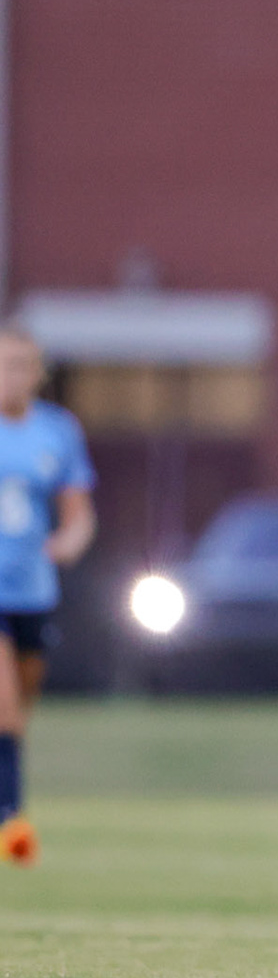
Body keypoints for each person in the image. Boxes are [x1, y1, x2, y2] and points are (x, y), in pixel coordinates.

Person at [0, 326, 97, 865]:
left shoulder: (57, 432)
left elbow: (78, 514)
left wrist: (67, 543)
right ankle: (11, 822)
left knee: (20, 711)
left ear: (37, 373)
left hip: (34, 590)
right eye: (3, 363)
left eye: (22, 364)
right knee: (5, 709)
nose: (12, 375)